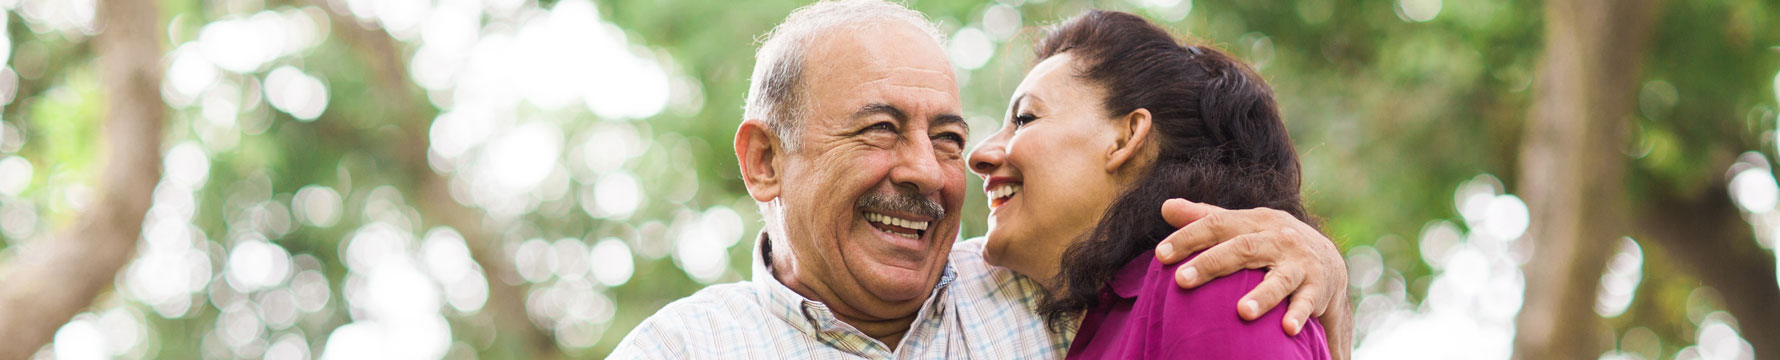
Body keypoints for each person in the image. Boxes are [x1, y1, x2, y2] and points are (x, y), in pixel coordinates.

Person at [611, 1, 1350, 358]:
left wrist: (1324, 277)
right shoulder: (679, 351)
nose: (933, 170)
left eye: (947, 136)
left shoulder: (1052, 291)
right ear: (765, 161)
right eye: (879, 128)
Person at [965, 9, 1331, 359]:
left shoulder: (1212, 284)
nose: (978, 155)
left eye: (1025, 118)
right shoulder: (1109, 320)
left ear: (1126, 138)